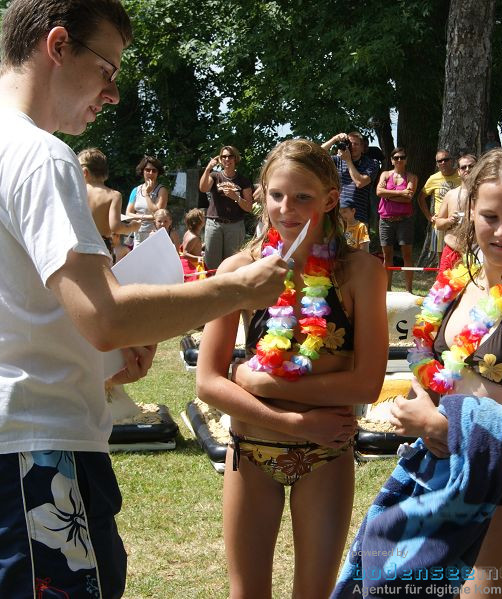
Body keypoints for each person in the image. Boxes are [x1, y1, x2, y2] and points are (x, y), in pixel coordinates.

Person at [0, 2, 288, 597]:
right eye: (107, 69)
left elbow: (1, 320)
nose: (113, 93)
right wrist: (239, 287)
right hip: (36, 456)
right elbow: (104, 315)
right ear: (59, 45)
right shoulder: (39, 157)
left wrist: (103, 358)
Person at [196, 138, 388, 598]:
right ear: (261, 193)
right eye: (277, 194)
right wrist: (290, 417)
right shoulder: (238, 270)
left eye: (302, 197)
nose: (287, 208)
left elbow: (367, 382)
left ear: (328, 198)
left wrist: (258, 380)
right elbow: (207, 382)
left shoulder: (359, 272)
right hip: (252, 450)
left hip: (327, 456)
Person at [390, 149, 502, 598]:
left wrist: (440, 425)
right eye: (490, 216)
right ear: (470, 211)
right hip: (436, 480)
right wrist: (417, 404)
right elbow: (427, 362)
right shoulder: (458, 283)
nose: (501, 231)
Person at [198, 145, 254, 272]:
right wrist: (208, 168)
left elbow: (249, 207)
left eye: (230, 156)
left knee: (232, 264)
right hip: (214, 224)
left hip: (235, 226)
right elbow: (203, 188)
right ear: (220, 159)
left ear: (235, 159)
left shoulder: (243, 180)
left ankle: (229, 291)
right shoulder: (215, 176)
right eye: (223, 156)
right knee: (211, 263)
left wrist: (236, 197)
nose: (227, 159)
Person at [78, 147, 140, 261]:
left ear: (84, 172)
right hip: (101, 246)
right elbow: (115, 227)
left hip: (78, 244)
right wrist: (133, 226)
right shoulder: (113, 195)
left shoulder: (77, 192)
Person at [376, 147, 418, 290]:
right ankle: (387, 290)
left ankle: (409, 290)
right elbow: (378, 192)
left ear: (406, 160)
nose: (399, 160)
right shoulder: (386, 175)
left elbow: (408, 198)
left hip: (404, 220)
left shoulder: (412, 177)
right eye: (396, 157)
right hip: (386, 220)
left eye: (402, 157)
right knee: (387, 256)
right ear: (391, 160)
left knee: (407, 255)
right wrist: (399, 192)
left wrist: (388, 196)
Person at [321, 131, 380, 225]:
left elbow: (360, 183)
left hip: (358, 218)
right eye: (350, 144)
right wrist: (335, 139)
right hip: (337, 216)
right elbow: (316, 154)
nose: (352, 146)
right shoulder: (338, 160)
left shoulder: (372, 163)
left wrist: (348, 161)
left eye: (356, 144)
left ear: (362, 148)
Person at [434, 153, 477, 274]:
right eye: (463, 167)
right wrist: (449, 221)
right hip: (452, 251)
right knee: (444, 291)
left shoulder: (485, 194)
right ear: (458, 171)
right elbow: (438, 223)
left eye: (471, 166)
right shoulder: (450, 194)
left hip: (477, 251)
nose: (467, 169)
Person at [419, 149, 462, 264]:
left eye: (446, 159)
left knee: (460, 255)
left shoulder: (461, 175)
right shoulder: (433, 178)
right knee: (442, 258)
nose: (443, 163)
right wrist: (429, 217)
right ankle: (442, 279)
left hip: (458, 222)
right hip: (440, 223)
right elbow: (421, 198)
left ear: (452, 160)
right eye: (440, 161)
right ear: (437, 164)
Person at [126, 155, 167, 247]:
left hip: (154, 234)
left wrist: (146, 194)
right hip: (138, 234)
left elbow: (157, 213)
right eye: (147, 170)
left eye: (154, 170)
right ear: (143, 171)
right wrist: (148, 217)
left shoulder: (161, 190)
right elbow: (128, 214)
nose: (150, 173)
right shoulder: (135, 190)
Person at [179, 207, 206, 280]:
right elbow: (185, 254)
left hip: (192, 262)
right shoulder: (193, 237)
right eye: (203, 217)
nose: (204, 219)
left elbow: (193, 247)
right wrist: (199, 258)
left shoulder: (189, 232)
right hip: (193, 265)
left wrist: (204, 245)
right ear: (199, 222)